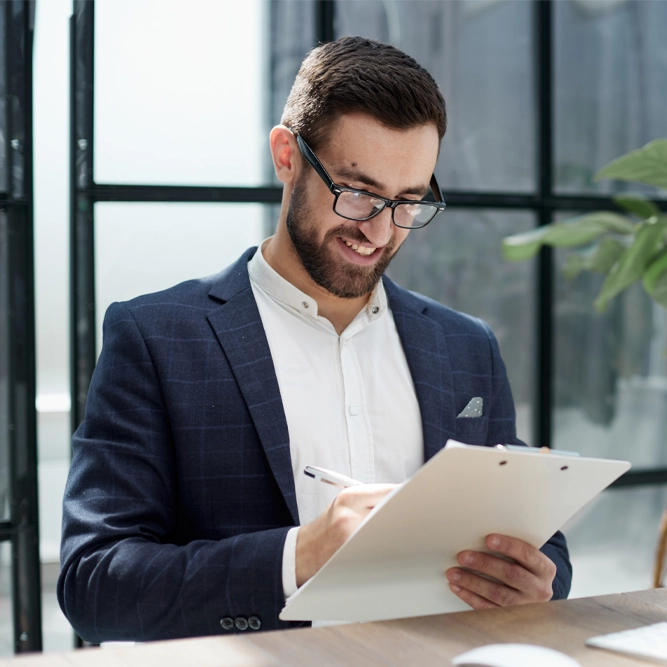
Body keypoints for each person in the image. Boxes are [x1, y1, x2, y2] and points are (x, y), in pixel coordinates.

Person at [58, 36, 571, 642]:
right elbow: (94, 583)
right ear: (287, 155)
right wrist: (298, 556)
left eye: (408, 201)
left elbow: (539, 541)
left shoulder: (465, 347)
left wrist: (543, 578)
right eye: (357, 191)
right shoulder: (155, 337)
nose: (378, 231)